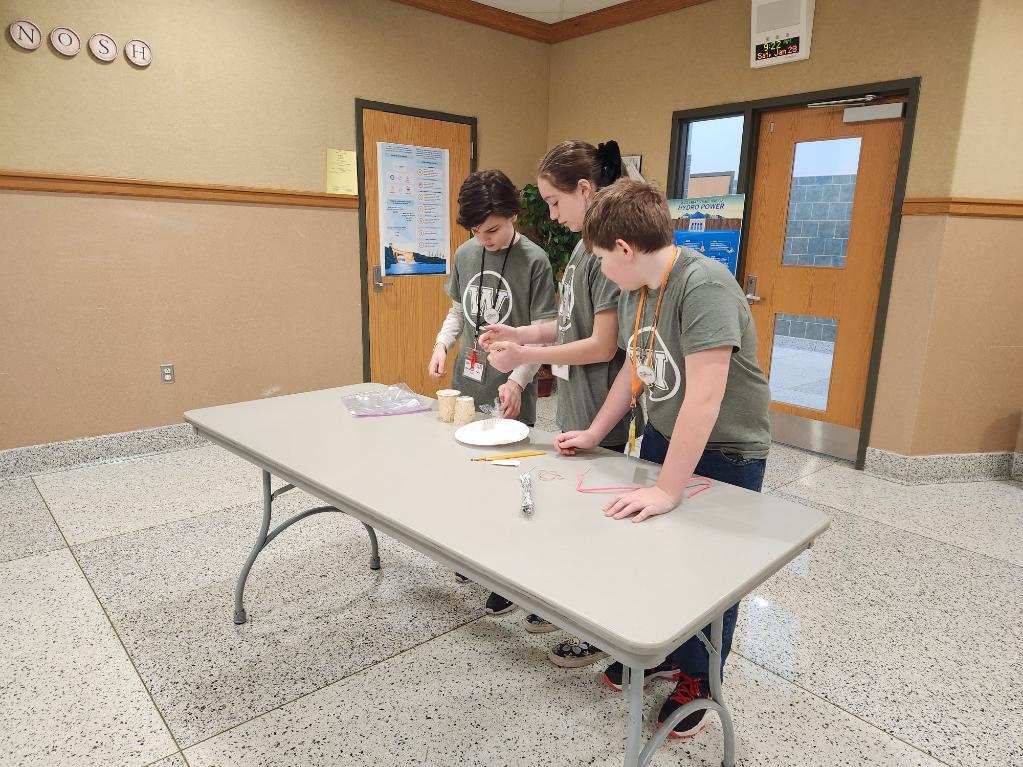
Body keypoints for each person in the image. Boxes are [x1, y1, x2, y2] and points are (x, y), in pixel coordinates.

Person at [554, 179, 771, 740]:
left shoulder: (704, 286)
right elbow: (635, 367)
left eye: (603, 258)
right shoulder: (637, 290)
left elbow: (705, 395)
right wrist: (595, 432)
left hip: (725, 451)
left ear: (625, 249)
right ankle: (666, 653)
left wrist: (668, 489)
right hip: (663, 438)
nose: (602, 271)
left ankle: (702, 676)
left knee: (709, 570)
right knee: (656, 558)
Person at [480, 140, 638, 666]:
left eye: (554, 201)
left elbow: (603, 344)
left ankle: (594, 629)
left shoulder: (608, 253)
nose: (550, 213)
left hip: (601, 409)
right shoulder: (578, 247)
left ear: (586, 191)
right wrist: (521, 330)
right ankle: (569, 605)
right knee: (569, 511)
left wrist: (528, 354)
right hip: (573, 403)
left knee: (595, 519)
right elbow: (567, 322)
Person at [428, 169, 557, 616]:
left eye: (494, 230)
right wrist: (442, 344)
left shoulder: (535, 261)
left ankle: (506, 575)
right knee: (469, 471)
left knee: (509, 476)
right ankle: (475, 554)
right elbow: (458, 309)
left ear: (514, 216)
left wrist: (518, 380)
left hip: (512, 386)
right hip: (469, 381)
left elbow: (544, 336)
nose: (485, 239)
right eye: (477, 232)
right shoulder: (467, 253)